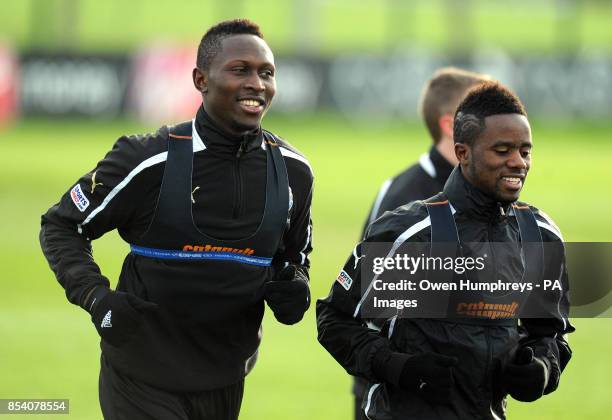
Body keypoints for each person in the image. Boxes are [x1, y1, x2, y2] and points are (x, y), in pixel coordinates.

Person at [40, 19, 313, 420]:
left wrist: (295, 288)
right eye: (240, 70)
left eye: (266, 73)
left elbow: (293, 257)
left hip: (227, 377)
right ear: (201, 79)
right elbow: (62, 225)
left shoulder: (293, 171)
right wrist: (97, 298)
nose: (257, 84)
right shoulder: (148, 159)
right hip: (141, 377)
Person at [317, 81, 574, 419]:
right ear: (463, 152)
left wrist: (540, 368)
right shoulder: (410, 233)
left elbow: (550, 334)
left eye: (525, 151)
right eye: (502, 151)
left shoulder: (539, 235)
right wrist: (401, 368)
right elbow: (335, 321)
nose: (518, 162)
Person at [352, 66, 489, 419]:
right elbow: (372, 304)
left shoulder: (489, 192)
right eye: (479, 113)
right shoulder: (402, 195)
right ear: (448, 125)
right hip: (401, 397)